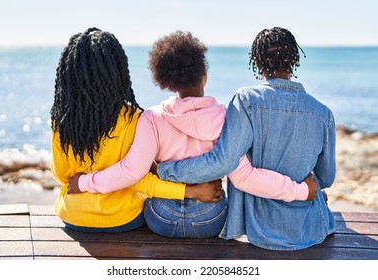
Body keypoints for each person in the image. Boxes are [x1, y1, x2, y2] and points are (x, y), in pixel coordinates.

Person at [68, 30, 318, 238]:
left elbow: (130, 171)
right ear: (204, 76)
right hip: (210, 218)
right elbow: (243, 176)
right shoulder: (225, 117)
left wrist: (84, 182)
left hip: (161, 218)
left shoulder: (152, 117)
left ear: (168, 81)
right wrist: (299, 191)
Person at [155, 27, 336, 250]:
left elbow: (223, 162)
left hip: (260, 228)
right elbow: (326, 179)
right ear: (294, 59)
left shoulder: (247, 101)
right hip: (311, 227)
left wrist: (166, 170)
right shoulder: (323, 112)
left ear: (257, 62)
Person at [50, 27, 223, 233]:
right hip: (123, 219)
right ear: (118, 72)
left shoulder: (61, 119)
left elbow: (62, 176)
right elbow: (138, 180)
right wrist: (190, 190)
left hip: (73, 216)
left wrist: (84, 178)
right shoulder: (132, 118)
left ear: (70, 75)